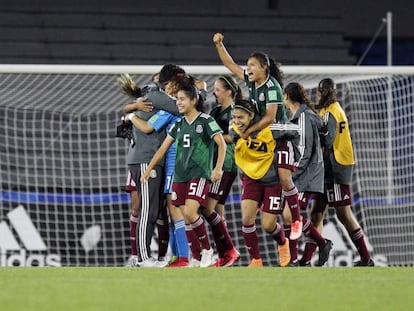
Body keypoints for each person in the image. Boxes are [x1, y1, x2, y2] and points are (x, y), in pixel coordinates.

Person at [213, 33, 302, 240]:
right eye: (248, 65)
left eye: (253, 65)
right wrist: (219, 44)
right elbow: (229, 63)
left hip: (281, 135)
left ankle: (296, 220)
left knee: (284, 177)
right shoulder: (251, 81)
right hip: (263, 136)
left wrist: (248, 131)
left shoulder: (272, 87)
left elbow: (270, 118)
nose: (248, 68)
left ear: (265, 68)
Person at [141, 78, 227, 268]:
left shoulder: (205, 121)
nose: (178, 102)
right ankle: (196, 254)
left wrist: (218, 168)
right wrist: (148, 169)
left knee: (189, 212)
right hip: (180, 176)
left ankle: (207, 250)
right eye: (177, 99)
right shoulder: (178, 126)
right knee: (185, 216)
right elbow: (162, 150)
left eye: (182, 99)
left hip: (199, 174)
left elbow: (221, 143)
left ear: (193, 100)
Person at [124, 64, 186, 267]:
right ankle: (142, 257)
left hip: (151, 159)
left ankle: (147, 256)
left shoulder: (153, 94)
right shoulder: (156, 94)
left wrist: (131, 110)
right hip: (145, 159)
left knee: (153, 210)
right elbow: (182, 107)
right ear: (171, 82)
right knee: (147, 210)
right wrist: (198, 91)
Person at [309, 78, 374, 266]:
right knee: (316, 214)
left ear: (320, 93)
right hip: (329, 169)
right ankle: (308, 260)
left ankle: (366, 258)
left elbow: (327, 141)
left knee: (343, 214)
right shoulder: (330, 109)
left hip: (335, 169)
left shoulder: (331, 112)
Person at [230, 99, 292, 267]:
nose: (236, 121)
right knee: (247, 219)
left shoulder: (270, 129)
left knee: (267, 224)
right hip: (251, 178)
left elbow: (294, 131)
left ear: (251, 116)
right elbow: (235, 140)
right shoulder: (234, 128)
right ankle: (256, 260)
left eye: (241, 117)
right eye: (234, 117)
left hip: (273, 181)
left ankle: (282, 242)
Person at [282, 82, 333, 267]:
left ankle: (302, 254)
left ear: (287, 96)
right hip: (308, 173)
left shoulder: (304, 117)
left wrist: (292, 173)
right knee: (291, 215)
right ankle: (317, 246)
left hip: (306, 175)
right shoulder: (302, 115)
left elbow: (304, 150)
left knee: (291, 216)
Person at [204, 75, 242, 267]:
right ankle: (224, 255)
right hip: (214, 164)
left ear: (228, 91)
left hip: (226, 164)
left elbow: (235, 137)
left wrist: (215, 137)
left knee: (206, 208)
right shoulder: (216, 110)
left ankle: (229, 250)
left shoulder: (235, 112)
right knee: (217, 210)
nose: (214, 92)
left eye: (217, 89)